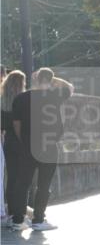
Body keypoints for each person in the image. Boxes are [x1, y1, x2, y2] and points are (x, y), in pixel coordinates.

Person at [8, 67, 74, 231]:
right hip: (49, 146)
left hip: (27, 146)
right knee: (44, 185)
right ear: (50, 81)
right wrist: (53, 79)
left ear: (35, 80)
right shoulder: (54, 95)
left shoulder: (20, 98)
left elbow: (16, 124)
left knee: (22, 183)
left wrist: (23, 141)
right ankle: (38, 220)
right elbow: (70, 88)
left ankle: (18, 220)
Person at [2, 70, 26, 224]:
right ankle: (20, 213)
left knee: (11, 178)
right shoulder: (23, 101)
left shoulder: (2, 102)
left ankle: (11, 213)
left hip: (8, 143)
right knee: (23, 179)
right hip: (23, 142)